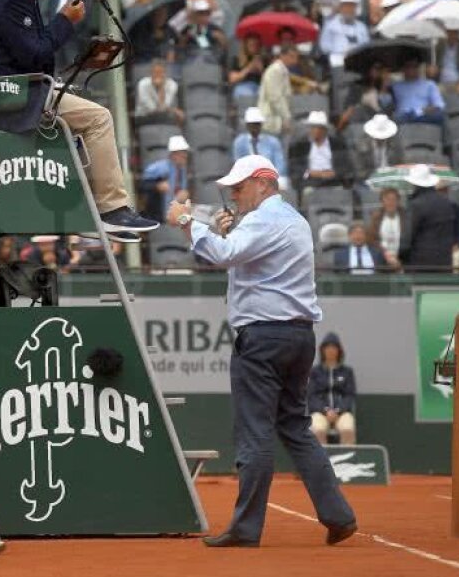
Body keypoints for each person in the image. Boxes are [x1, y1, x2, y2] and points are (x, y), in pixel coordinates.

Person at [166, 156, 357, 548]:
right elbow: (242, 256)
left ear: (263, 184)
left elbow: (222, 255)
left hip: (263, 338)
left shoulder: (264, 219)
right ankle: (338, 515)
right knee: (295, 427)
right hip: (300, 338)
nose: (234, 195)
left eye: (239, 188)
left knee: (255, 432)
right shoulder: (293, 220)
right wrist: (225, 232)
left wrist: (187, 222)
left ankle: (246, 529)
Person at [0, 0, 158, 237]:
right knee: (98, 118)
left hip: (13, 88)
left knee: (81, 107)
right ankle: (112, 209)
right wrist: (65, 21)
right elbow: (36, 52)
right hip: (5, 94)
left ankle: (87, 214)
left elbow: (30, 51)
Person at [398, 164, 457, 271]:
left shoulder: (415, 205)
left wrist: (401, 257)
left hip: (418, 264)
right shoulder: (446, 203)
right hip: (445, 262)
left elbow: (407, 237)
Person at [307, 334, 357, 445]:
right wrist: (325, 410)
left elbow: (350, 396)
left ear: (339, 351)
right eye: (327, 347)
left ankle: (347, 461)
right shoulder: (314, 372)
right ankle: (320, 462)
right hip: (320, 413)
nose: (330, 350)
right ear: (322, 350)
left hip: (342, 413)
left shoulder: (347, 372)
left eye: (334, 347)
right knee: (317, 430)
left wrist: (338, 410)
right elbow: (311, 396)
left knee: (348, 429)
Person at [289, 111, 351, 191]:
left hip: (333, 182)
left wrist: (334, 173)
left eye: (315, 127)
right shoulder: (300, 145)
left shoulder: (338, 145)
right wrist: (310, 173)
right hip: (309, 182)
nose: (311, 130)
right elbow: (295, 167)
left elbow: (345, 166)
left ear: (324, 129)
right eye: (311, 127)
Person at [141, 135, 191, 221]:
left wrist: (185, 194)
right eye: (182, 153)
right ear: (174, 154)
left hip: (174, 216)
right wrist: (157, 186)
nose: (185, 156)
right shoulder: (158, 168)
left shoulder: (182, 170)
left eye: (185, 152)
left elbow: (181, 190)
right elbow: (142, 186)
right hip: (158, 217)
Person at [232, 106, 286, 177]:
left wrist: (271, 177)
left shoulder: (273, 142)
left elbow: (280, 164)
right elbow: (238, 165)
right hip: (248, 178)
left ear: (261, 124)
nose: (255, 127)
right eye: (252, 124)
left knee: (282, 183)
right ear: (247, 125)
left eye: (257, 123)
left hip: (270, 177)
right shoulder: (239, 142)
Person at [390, 58, 445, 125]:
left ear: (419, 68)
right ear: (403, 69)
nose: (411, 69)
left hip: (423, 116)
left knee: (440, 116)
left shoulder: (429, 84)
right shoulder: (395, 86)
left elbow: (438, 106)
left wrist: (419, 111)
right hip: (401, 118)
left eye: (414, 66)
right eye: (408, 66)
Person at [368, 186, 404, 262]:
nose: (391, 202)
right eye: (387, 199)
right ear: (382, 201)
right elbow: (372, 240)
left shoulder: (406, 217)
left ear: (398, 201)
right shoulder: (375, 217)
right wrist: (385, 253)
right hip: (381, 258)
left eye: (394, 199)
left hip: (403, 258)